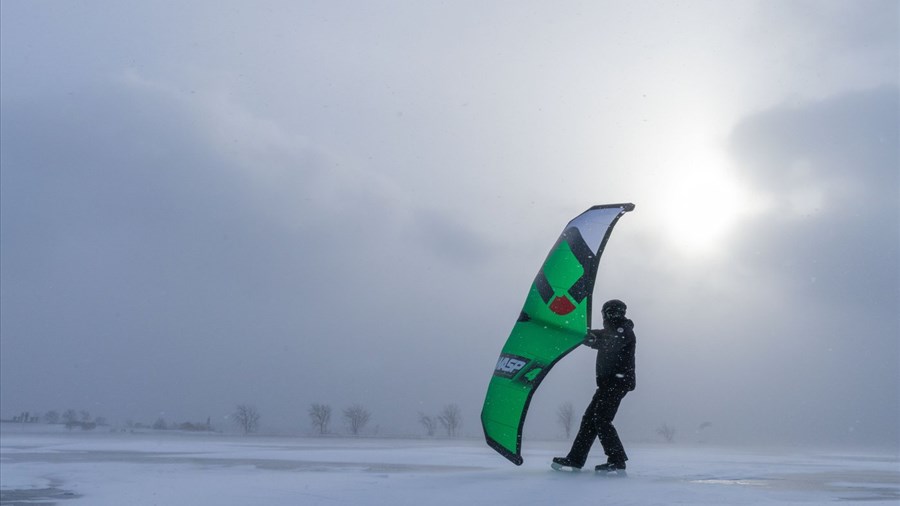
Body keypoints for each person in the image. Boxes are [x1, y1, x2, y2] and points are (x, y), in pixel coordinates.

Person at [552, 299, 636, 475]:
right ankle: (575, 459)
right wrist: (573, 331)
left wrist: (588, 338)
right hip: (607, 385)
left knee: (601, 419)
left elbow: (609, 342)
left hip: (617, 383)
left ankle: (617, 460)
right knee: (590, 419)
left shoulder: (624, 330)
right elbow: (593, 335)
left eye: (613, 312)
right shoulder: (611, 331)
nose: (611, 315)